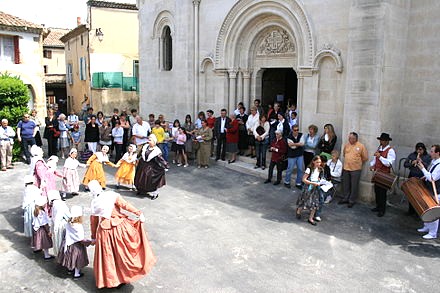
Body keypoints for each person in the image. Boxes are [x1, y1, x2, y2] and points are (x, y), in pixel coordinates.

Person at [88, 180, 156, 288]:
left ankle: (113, 280)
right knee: (123, 254)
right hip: (120, 228)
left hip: (105, 232)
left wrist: (93, 237)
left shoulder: (94, 203)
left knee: (109, 257)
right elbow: (125, 205)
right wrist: (139, 213)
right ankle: (124, 276)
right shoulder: (111, 195)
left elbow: (94, 222)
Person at [58, 205, 90, 280]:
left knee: (70, 257)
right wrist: (90, 242)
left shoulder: (69, 223)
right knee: (77, 259)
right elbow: (81, 239)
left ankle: (70, 269)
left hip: (69, 243)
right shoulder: (78, 226)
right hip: (77, 246)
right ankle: (77, 273)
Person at [416, 144, 440, 239]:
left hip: (437, 192)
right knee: (427, 209)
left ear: (437, 153)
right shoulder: (434, 161)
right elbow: (429, 174)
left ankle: (433, 233)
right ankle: (427, 227)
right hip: (430, 190)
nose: (430, 153)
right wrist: (424, 176)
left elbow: (432, 178)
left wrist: (422, 168)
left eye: (432, 151)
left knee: (434, 212)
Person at [369, 133, 396, 217]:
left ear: (387, 141)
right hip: (377, 173)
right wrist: (372, 164)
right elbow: (375, 159)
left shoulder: (390, 151)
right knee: (377, 191)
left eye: (383, 140)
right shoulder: (379, 148)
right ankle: (378, 206)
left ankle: (382, 210)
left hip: (384, 174)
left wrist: (380, 157)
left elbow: (388, 163)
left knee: (382, 193)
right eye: (380, 140)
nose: (381, 142)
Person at [339, 132, 368, 207]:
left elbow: (365, 157)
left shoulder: (361, 146)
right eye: (349, 138)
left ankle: (352, 200)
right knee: (346, 184)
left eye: (352, 138)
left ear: (356, 139)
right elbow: (344, 154)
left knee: (354, 185)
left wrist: (357, 162)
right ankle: (345, 198)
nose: (350, 140)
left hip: (355, 169)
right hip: (346, 167)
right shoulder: (347, 145)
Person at [134, 134, 168, 199]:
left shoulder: (157, 150)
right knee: (140, 179)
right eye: (148, 140)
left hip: (151, 167)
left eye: (150, 140)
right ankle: (142, 190)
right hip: (142, 165)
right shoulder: (145, 146)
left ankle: (154, 193)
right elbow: (140, 154)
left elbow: (160, 159)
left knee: (150, 180)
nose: (148, 141)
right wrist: (136, 158)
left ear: (154, 141)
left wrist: (165, 166)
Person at [404, 142, 431, 215]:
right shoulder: (412, 155)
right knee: (411, 194)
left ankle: (418, 212)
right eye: (417, 150)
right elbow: (405, 164)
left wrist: (421, 162)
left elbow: (428, 166)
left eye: (420, 150)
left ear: (424, 149)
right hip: (412, 175)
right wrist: (412, 162)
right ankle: (410, 211)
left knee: (419, 196)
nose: (419, 151)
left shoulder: (427, 156)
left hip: (421, 178)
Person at [295, 155, 323, 226]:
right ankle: (298, 210)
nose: (318, 164)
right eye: (317, 162)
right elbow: (304, 180)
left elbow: (318, 177)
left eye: (319, 162)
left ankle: (310, 218)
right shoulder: (309, 169)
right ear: (313, 162)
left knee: (314, 203)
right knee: (304, 200)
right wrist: (312, 183)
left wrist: (319, 181)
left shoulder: (320, 169)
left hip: (315, 188)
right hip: (308, 187)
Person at [47, 190, 70, 256]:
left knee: (59, 242)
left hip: (58, 226)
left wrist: (52, 230)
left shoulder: (55, 205)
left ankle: (61, 256)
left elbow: (54, 218)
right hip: (62, 225)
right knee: (62, 243)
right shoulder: (60, 203)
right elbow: (67, 216)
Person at [284, 125, 305, 189]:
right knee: (290, 169)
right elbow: (292, 147)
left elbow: (302, 143)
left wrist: (294, 144)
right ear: (292, 130)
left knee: (300, 169)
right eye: (295, 130)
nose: (296, 131)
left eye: (297, 130)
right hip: (292, 155)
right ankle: (286, 182)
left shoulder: (301, 135)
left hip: (300, 155)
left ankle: (298, 183)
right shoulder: (289, 137)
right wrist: (298, 144)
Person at [22, 175, 41, 239]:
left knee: (29, 221)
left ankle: (31, 235)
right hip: (35, 206)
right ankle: (36, 235)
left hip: (28, 208)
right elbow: (39, 194)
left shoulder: (27, 189)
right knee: (35, 221)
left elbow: (25, 200)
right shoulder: (35, 188)